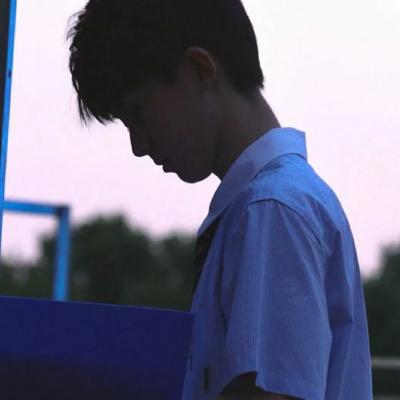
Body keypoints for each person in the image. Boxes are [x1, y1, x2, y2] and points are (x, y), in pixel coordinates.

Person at [67, 1, 373, 399]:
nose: (138, 146)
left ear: (199, 69)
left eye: (139, 114)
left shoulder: (271, 211)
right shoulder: (272, 205)